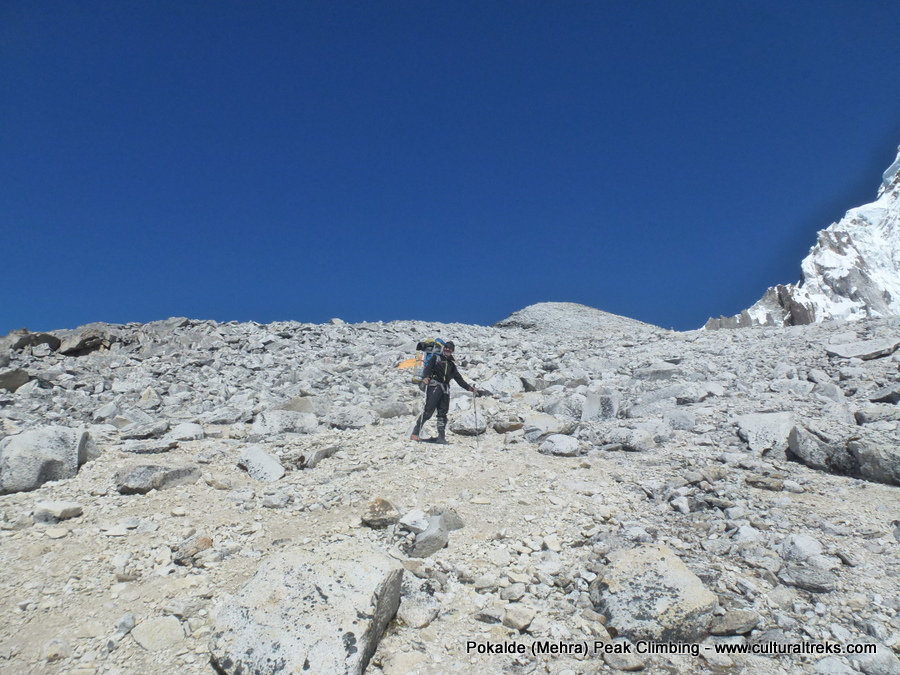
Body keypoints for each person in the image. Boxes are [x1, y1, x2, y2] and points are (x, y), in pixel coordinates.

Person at [411, 341, 476, 444]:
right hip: (435, 386)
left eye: (450, 349)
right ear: (443, 348)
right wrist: (425, 377)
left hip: (445, 390)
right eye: (446, 348)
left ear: (452, 351)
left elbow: (459, 379)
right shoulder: (436, 358)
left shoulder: (451, 365)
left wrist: (469, 388)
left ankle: (441, 437)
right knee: (428, 410)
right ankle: (415, 432)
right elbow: (427, 368)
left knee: (442, 413)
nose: (447, 350)